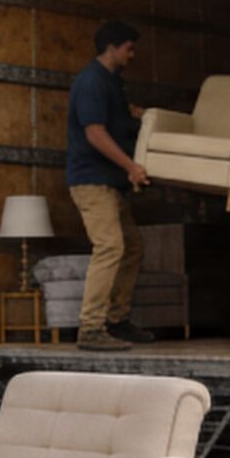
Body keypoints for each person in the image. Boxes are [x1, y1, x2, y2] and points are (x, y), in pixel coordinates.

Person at [66, 18, 152, 352]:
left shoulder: (112, 82)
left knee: (131, 247)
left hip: (109, 182)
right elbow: (95, 133)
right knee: (111, 247)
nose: (132, 55)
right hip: (91, 180)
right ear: (112, 47)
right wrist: (131, 166)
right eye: (129, 49)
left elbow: (117, 118)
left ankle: (117, 320)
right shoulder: (92, 82)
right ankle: (90, 327)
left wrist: (141, 115)